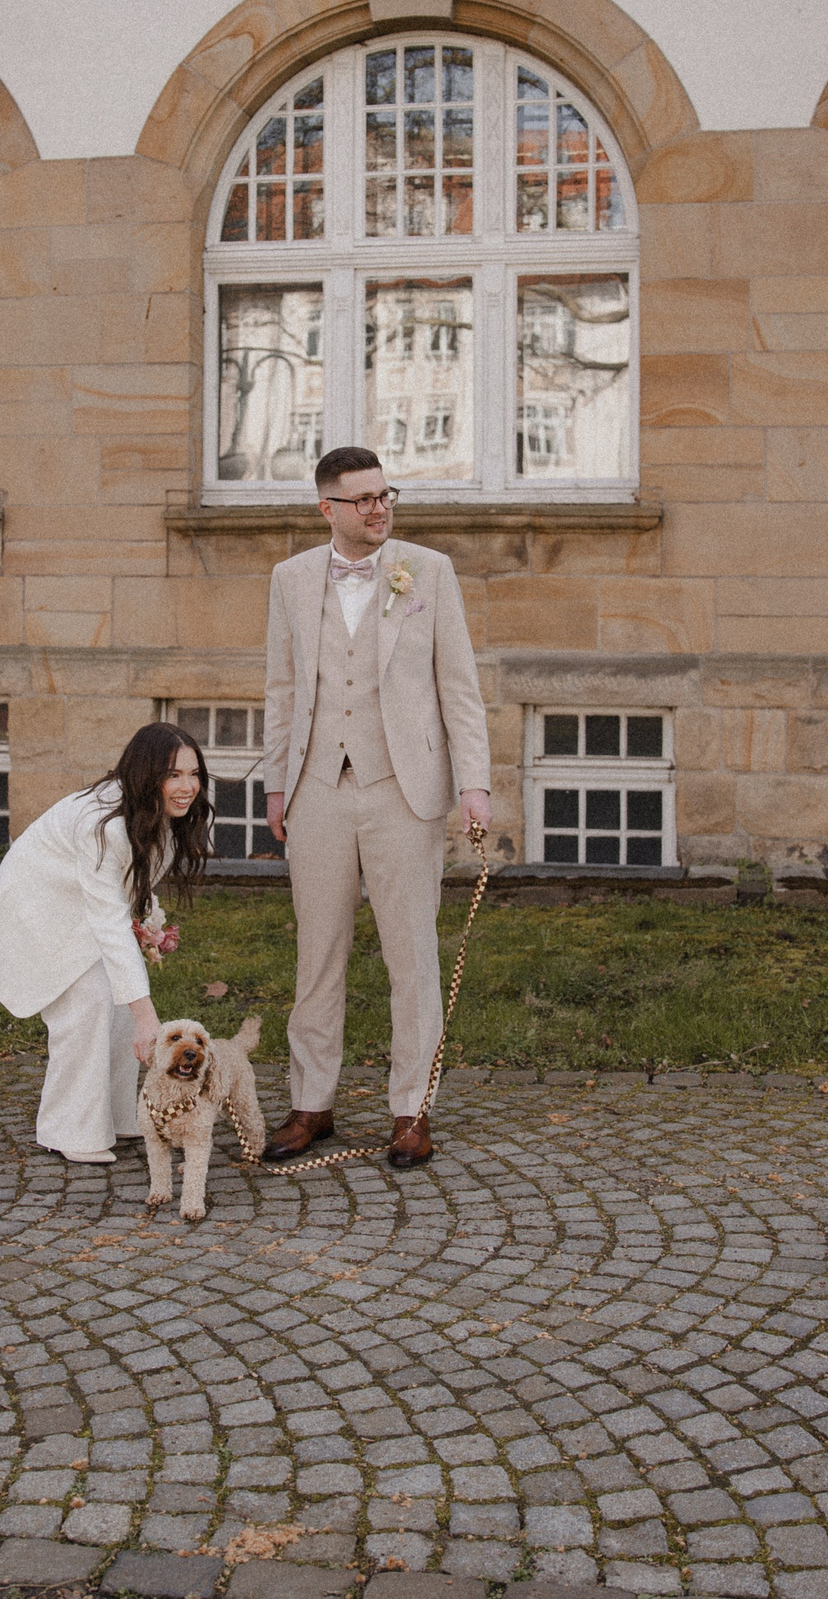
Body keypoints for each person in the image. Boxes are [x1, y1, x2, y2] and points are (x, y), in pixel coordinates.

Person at [256, 447, 491, 1170]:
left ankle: (411, 1109)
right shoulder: (290, 578)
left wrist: (475, 784)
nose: (379, 508)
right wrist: (275, 786)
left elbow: (459, 686)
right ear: (326, 507)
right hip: (317, 788)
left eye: (385, 494)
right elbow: (281, 689)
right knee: (317, 953)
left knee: (412, 954)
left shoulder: (429, 571)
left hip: (403, 787)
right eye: (362, 499)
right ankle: (311, 1103)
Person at [0, 723, 211, 1164]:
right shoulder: (105, 826)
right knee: (91, 1002)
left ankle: (115, 1116)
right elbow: (109, 919)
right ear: (146, 773)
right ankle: (68, 1129)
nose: (187, 787)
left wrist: (142, 938)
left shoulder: (156, 815)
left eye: (194, 774)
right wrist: (147, 1018)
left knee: (120, 1004)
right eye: (173, 775)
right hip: (37, 909)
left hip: (80, 906)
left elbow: (121, 895)